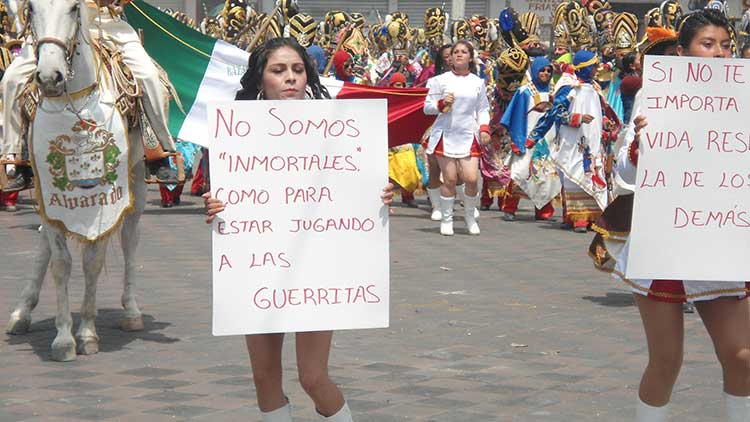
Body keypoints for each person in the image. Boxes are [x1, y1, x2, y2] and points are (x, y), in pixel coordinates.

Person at [203, 38, 394, 422]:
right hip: (258, 269)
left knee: (312, 376)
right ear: (260, 80)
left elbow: (355, 185)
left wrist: (381, 193)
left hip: (317, 269)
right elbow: (227, 198)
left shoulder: (340, 128)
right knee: (264, 377)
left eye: (297, 70)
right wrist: (215, 206)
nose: (290, 78)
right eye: (278, 70)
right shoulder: (233, 136)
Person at [591, 10, 750, 422]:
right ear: (682, 51)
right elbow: (626, 174)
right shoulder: (654, 96)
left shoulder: (744, 98)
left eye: (726, 45)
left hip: (721, 240)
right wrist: (640, 144)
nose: (719, 54)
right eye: (708, 44)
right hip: (666, 239)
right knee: (667, 361)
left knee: (743, 355)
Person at [1, 0, 179, 191]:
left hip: (105, 25)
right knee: (11, 80)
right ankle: (17, 158)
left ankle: (160, 154)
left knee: (149, 77)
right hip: (51, 25)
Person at [526, 49, 620, 233]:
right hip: (572, 141)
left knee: (593, 175)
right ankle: (575, 218)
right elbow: (555, 112)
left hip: (593, 140)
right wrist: (575, 118)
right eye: (593, 66)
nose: (596, 70)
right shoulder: (570, 88)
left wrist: (606, 123)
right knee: (573, 176)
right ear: (585, 67)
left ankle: (591, 217)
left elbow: (601, 111)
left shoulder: (595, 88)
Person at [423, 40, 490, 235]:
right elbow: (426, 107)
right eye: (456, 52)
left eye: (464, 52)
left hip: (468, 134)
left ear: (470, 57)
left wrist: (484, 128)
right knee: (450, 179)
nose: (459, 55)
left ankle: (469, 217)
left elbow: (482, 108)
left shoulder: (477, 82)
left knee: (471, 179)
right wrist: (441, 103)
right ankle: (446, 219)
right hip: (446, 133)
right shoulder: (439, 80)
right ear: (450, 58)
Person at [499, 56, 556, 221]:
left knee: (545, 175)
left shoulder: (552, 92)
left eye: (548, 70)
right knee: (520, 172)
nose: (545, 73)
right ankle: (509, 208)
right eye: (542, 70)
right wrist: (516, 140)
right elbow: (515, 116)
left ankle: (544, 210)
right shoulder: (524, 91)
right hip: (526, 138)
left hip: (547, 140)